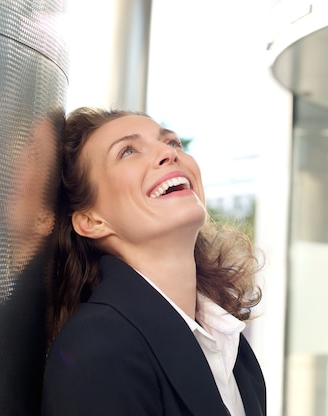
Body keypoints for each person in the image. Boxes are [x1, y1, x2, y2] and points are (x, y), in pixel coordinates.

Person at [41, 107, 266, 416]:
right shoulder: (98, 349)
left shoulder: (231, 346)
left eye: (172, 142)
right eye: (128, 151)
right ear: (91, 220)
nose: (167, 153)